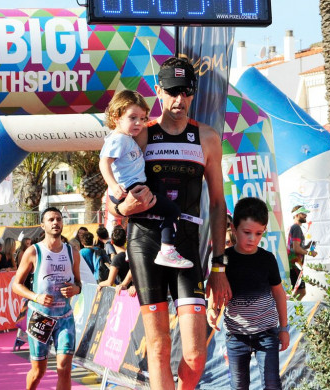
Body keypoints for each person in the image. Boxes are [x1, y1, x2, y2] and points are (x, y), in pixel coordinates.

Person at [109, 57, 230, 390]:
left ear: (193, 94)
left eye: (186, 92)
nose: (179, 101)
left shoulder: (206, 139)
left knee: (195, 355)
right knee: (159, 346)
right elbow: (112, 188)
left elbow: (218, 205)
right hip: (146, 242)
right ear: (159, 91)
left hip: (187, 247)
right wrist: (121, 206)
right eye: (172, 92)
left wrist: (219, 267)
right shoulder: (140, 135)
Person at [99, 89, 193, 269]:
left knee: (161, 190)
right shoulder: (118, 139)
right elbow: (104, 163)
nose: (138, 123)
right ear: (116, 117)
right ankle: (167, 249)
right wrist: (113, 185)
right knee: (172, 210)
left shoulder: (127, 138)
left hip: (136, 185)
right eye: (132, 118)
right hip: (132, 188)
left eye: (142, 118)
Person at [207, 197, 290, 390]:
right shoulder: (224, 260)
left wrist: (284, 328)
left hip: (267, 334)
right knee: (238, 386)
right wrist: (211, 309)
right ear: (234, 229)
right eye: (247, 232)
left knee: (272, 384)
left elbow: (278, 293)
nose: (252, 238)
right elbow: (215, 287)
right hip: (236, 336)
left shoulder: (267, 259)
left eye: (258, 233)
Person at [12, 207, 82, 390]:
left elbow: (79, 284)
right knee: (38, 371)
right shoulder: (34, 252)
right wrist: (36, 297)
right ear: (43, 225)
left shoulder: (72, 252)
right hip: (40, 318)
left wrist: (75, 289)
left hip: (65, 317)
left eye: (58, 219)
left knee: (64, 368)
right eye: (51, 219)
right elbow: (16, 285)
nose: (55, 222)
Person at [287, 205, 317, 300]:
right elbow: (296, 249)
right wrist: (309, 253)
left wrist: (306, 246)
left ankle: (290, 312)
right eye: (303, 213)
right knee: (300, 292)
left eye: (305, 213)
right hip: (294, 265)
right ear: (296, 215)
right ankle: (290, 312)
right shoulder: (296, 227)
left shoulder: (294, 227)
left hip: (293, 265)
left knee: (299, 292)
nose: (305, 215)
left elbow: (295, 247)